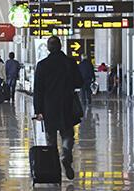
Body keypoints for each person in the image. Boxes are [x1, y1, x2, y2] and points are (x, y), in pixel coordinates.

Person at [33, 36, 83, 180]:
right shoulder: (70, 62)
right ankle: (66, 155)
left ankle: (54, 168)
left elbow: (38, 90)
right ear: (61, 46)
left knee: (50, 140)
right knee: (68, 135)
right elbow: (79, 82)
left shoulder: (42, 65)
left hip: (49, 108)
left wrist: (38, 111)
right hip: (67, 105)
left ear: (48, 48)